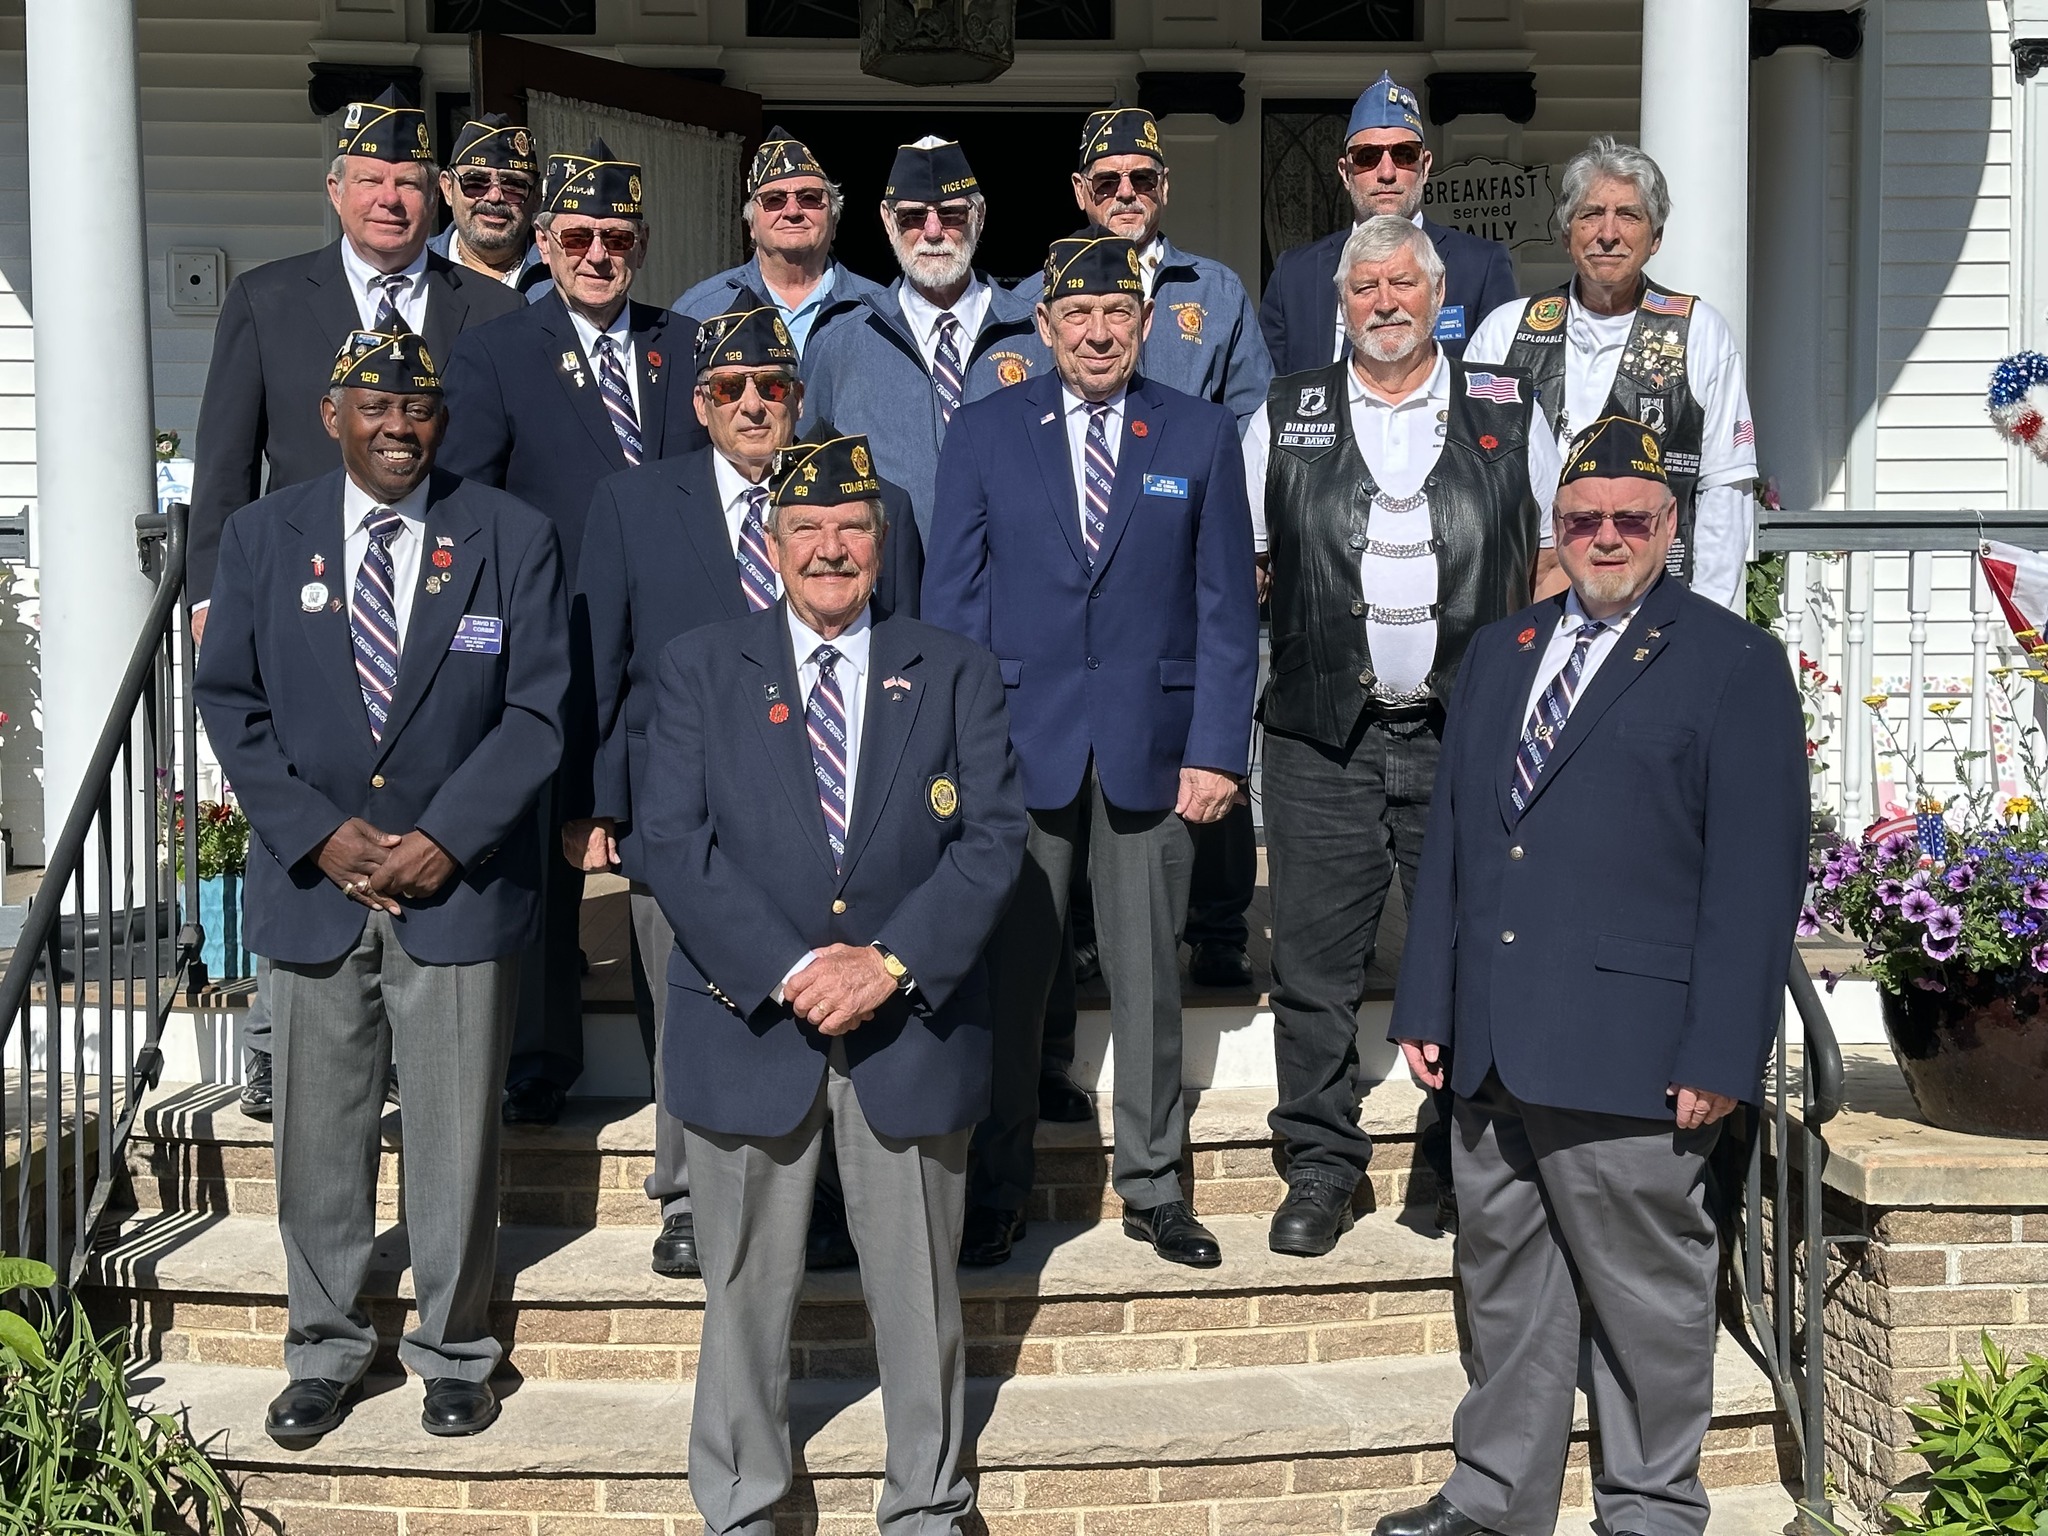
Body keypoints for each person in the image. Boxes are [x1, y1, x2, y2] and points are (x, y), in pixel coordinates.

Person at [1377, 415, 1807, 1536]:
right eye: (1581, 520)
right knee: (1505, 1291)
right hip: (1490, 1043)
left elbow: (1753, 884)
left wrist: (1721, 1050)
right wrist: (1425, 1000)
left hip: (1634, 1048)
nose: (1604, 536)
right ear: (1552, 529)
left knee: (1645, 1305)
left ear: (1669, 525)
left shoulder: (1732, 663)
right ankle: (1490, 1504)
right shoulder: (1502, 651)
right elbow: (1459, 844)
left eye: (1629, 518)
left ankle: (1650, 1507)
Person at [639, 431, 1025, 1536]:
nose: (829, 548)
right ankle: (745, 1504)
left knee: (918, 1300)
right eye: (805, 529)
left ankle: (926, 1502)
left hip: (906, 1033)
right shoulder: (700, 668)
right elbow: (672, 840)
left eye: (851, 528)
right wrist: (795, 966)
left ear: (880, 542)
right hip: (748, 1025)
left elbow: (993, 840)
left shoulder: (951, 668)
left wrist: (888, 964)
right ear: (771, 546)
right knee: (745, 1300)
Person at [192, 318, 569, 1448]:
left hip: (456, 887)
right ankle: (326, 1349)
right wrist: (318, 834)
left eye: (417, 409)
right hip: (317, 887)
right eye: (376, 407)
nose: (398, 426)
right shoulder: (264, 537)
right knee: (319, 1133)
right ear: (332, 416)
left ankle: (456, 1350)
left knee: (456, 1136)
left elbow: (538, 707)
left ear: (439, 422)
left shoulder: (509, 534)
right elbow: (230, 701)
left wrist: (445, 837)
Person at [185, 84, 525, 1120]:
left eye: (410, 182)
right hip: (299, 607)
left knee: (441, 803)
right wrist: (210, 594)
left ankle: (443, 1060)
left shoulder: (495, 309)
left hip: (444, 600)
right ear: (336, 190)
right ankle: (277, 1045)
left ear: (437, 198)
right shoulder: (269, 299)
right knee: (298, 808)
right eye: (372, 179)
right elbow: (221, 461)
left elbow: (512, 468)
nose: (392, 199)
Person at [570, 299, 924, 1278]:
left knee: (821, 994)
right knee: (690, 1009)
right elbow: (600, 668)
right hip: (680, 817)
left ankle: (820, 1200)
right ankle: (685, 1196)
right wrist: (592, 805)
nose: (755, 404)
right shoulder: (634, 503)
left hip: (831, 812)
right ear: (701, 402)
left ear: (798, 397)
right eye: (733, 388)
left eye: (772, 387)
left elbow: (908, 661)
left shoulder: (868, 508)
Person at [925, 230, 1258, 1269]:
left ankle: (1155, 1186)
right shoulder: (982, 435)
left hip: (1153, 748)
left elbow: (1223, 614)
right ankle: (999, 1185)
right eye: (1077, 315)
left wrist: (1215, 751)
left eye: (1117, 314)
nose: (1099, 331)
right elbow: (954, 608)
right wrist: (963, 754)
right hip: (1019, 748)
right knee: (1013, 979)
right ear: (1044, 328)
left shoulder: (1196, 435)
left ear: (1145, 323)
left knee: (1149, 976)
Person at [1243, 214, 1559, 1257]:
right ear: (1340, 304)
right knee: (1313, 966)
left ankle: (1456, 1156)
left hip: (1465, 734)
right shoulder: (1284, 412)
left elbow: (1552, 558)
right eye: (1362, 287)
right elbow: (1250, 565)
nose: (1383, 303)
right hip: (1317, 736)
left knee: (1478, 949)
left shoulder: (1508, 409)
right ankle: (1321, 1166)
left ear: (1435, 298)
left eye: (1401, 285)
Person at [441, 138, 701, 1126]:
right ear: (544, 241)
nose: (599, 253)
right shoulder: (497, 349)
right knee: (550, 852)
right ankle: (541, 1054)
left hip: (668, 646)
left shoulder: (684, 344)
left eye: (619, 238)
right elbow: (467, 502)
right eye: (580, 235)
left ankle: (676, 1061)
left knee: (662, 857)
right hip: (549, 635)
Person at [1072, 103, 1273, 991]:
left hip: (1198, 539)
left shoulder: (1215, 290)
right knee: (1100, 749)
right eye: (1107, 181)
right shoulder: (1053, 283)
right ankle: (1083, 931)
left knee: (1212, 724)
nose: (1125, 194)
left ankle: (1221, 925)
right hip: (1097, 554)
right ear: (1081, 191)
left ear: (1165, 187)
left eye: (1141, 179)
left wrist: (1253, 542)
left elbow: (1256, 422)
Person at [1464, 136, 1759, 611]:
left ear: (1655, 237)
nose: (1608, 232)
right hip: (1528, 604)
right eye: (1590, 214)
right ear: (1566, 234)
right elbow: (1471, 480)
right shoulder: (1506, 331)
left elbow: (1725, 489)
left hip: (1660, 607)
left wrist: (1710, 621)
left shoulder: (1700, 332)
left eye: (1628, 215)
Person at [800, 137, 1047, 541]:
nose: (933, 232)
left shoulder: (1035, 334)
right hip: (887, 591)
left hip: (1012, 586)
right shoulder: (843, 341)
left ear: (979, 216)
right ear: (887, 219)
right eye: (913, 217)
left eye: (951, 214)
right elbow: (807, 480)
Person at [1259, 73, 1516, 375]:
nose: (1386, 172)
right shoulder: (1295, 274)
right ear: (1345, 171)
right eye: (1367, 156)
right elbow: (1271, 390)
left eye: (1404, 154)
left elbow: (1500, 383)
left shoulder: (1481, 266)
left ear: (1425, 165)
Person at [672, 126, 884, 357]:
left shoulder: (879, 311)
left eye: (809, 198)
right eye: (774, 199)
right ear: (751, 226)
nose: (792, 211)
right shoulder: (702, 309)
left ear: (834, 221)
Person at [428, 113, 547, 292]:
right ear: (447, 189)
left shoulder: (560, 274)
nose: (494, 196)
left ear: (537, 196)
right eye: (475, 182)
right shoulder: (416, 267)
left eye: (513, 185)